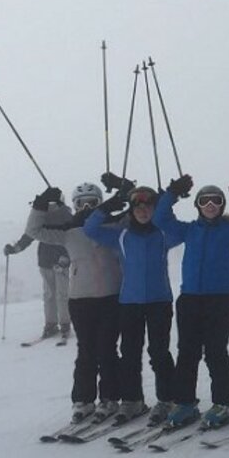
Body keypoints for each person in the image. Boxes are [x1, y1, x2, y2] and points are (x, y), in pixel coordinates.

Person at [154, 175, 229, 429]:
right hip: (189, 299)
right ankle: (185, 403)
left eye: (216, 200)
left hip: (220, 300)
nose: (210, 204)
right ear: (198, 205)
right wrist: (172, 193)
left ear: (222, 205)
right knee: (187, 353)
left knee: (215, 352)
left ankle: (225, 403)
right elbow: (160, 219)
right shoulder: (189, 230)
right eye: (204, 200)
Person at [83, 180, 183, 426]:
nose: (143, 211)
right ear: (131, 210)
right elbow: (90, 229)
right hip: (129, 303)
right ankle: (132, 400)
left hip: (159, 301)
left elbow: (178, 229)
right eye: (138, 207)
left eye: (148, 207)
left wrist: (167, 201)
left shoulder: (164, 234)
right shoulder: (122, 235)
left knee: (159, 353)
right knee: (129, 353)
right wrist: (107, 207)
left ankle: (166, 399)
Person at [25, 182, 123, 425]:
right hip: (80, 300)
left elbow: (140, 216)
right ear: (74, 206)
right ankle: (84, 400)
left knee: (108, 350)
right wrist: (40, 205)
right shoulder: (68, 233)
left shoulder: (113, 226)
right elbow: (34, 231)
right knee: (86, 352)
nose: (87, 207)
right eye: (81, 203)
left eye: (94, 203)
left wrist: (125, 193)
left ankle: (110, 397)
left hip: (111, 298)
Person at [4, 199, 72, 341]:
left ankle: (64, 324)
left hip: (60, 261)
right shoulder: (48, 218)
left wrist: (66, 256)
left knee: (61, 294)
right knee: (51, 294)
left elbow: (72, 237)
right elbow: (28, 237)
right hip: (46, 261)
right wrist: (14, 249)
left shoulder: (65, 217)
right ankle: (51, 324)